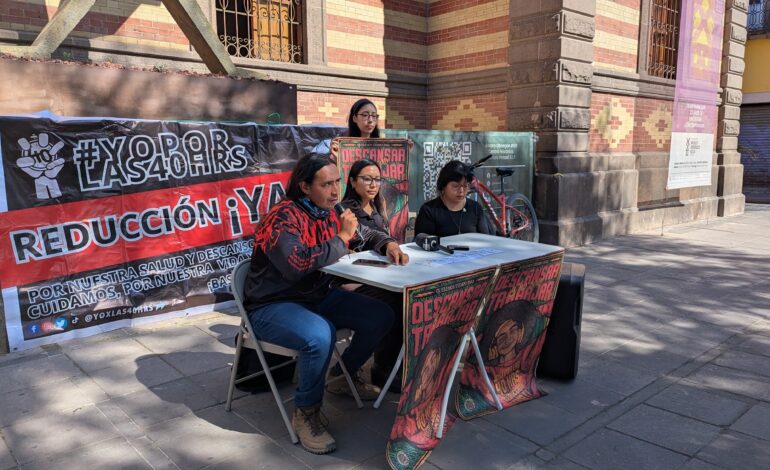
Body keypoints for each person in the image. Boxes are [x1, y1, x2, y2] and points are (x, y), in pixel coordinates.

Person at [242, 152, 407, 455]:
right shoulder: (282, 216)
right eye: (326, 184)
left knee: (382, 314)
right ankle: (306, 413)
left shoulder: (327, 210)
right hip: (271, 305)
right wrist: (341, 238)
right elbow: (295, 264)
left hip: (315, 296)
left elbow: (363, 232)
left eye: (336, 183)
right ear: (304, 186)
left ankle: (342, 376)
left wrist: (388, 243)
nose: (334, 191)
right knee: (320, 335)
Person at [341, 159, 407, 392]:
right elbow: (357, 240)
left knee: (407, 297)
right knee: (397, 302)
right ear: (351, 181)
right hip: (354, 281)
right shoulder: (346, 211)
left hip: (381, 275)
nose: (373, 184)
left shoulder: (379, 205)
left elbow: (375, 236)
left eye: (377, 179)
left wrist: (390, 244)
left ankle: (395, 365)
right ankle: (382, 367)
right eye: (366, 179)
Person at [414, 160, 492, 237]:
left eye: (465, 186)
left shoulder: (475, 208)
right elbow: (423, 242)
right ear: (443, 186)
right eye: (455, 186)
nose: (461, 190)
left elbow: (485, 239)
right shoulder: (429, 211)